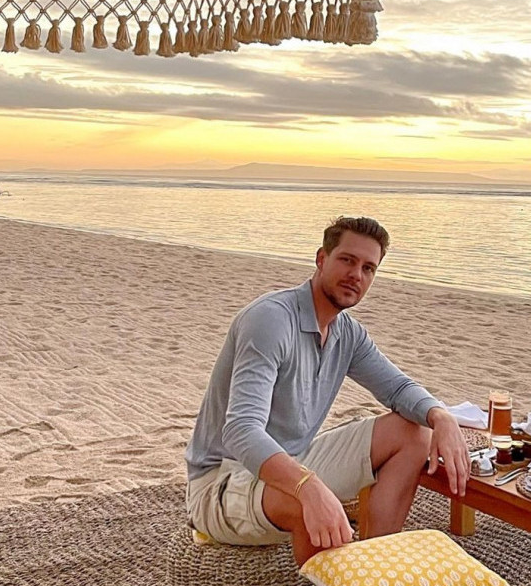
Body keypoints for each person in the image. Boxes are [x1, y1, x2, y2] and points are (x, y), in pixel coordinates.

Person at [185, 215, 470, 566]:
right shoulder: (271, 320)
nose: (356, 275)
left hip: (295, 459)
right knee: (304, 500)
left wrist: (441, 417)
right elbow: (241, 430)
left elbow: (398, 387)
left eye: (368, 268)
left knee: (413, 431)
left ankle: (373, 566)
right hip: (223, 481)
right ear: (322, 259)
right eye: (347, 260)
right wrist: (308, 487)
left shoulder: (347, 333)